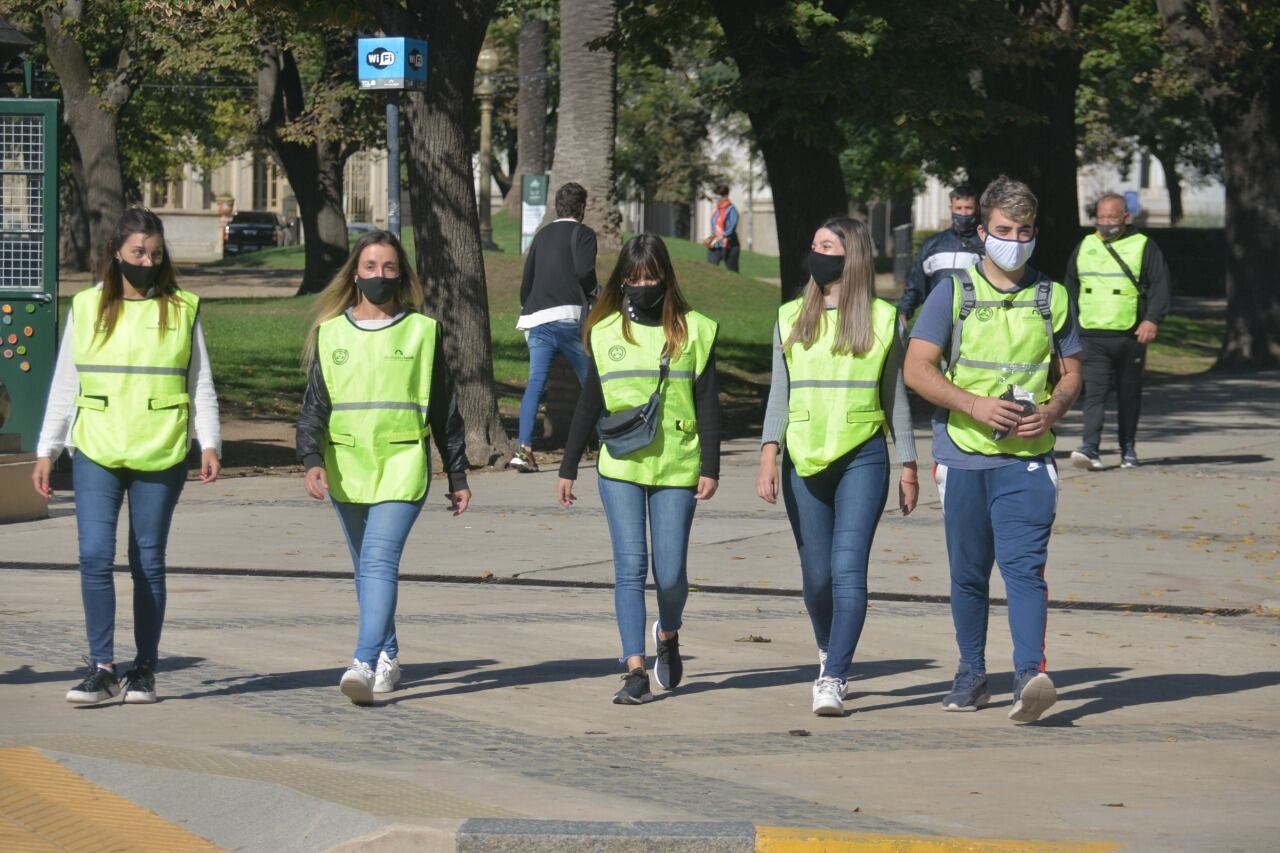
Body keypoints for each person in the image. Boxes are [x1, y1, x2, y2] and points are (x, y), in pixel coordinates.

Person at [903, 176, 1083, 724]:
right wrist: (974, 405)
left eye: (1024, 230)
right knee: (969, 572)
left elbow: (1072, 373)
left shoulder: (1052, 296)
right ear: (982, 232)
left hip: (1029, 459)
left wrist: (1053, 409)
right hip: (962, 455)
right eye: (1004, 230)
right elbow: (916, 369)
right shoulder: (951, 293)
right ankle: (971, 672)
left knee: (1025, 568)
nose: (1015, 239)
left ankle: (1030, 675)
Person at [32, 208, 222, 705]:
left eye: (155, 254)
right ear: (116, 252)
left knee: (147, 561)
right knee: (95, 556)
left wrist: (210, 442)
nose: (147, 261)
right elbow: (65, 384)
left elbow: (199, 382)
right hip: (97, 446)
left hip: (160, 447)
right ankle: (101, 667)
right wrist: (47, 449)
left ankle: (144, 669)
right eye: (138, 252)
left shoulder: (182, 308)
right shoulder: (88, 306)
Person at [296, 230, 471, 705]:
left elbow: (445, 410)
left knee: (378, 561)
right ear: (356, 273)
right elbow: (315, 406)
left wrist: (457, 474)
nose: (379, 275)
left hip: (401, 463)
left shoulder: (422, 331)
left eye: (389, 267)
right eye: (370, 267)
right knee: (366, 569)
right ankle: (389, 654)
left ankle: (363, 659)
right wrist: (311, 458)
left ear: (402, 274)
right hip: (347, 466)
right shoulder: (331, 332)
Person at [755, 217, 919, 717]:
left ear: (853, 257)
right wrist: (769, 453)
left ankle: (834, 676)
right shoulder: (788, 317)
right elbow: (779, 394)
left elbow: (896, 396)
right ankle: (829, 646)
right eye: (814, 244)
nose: (817, 253)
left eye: (827, 245)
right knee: (817, 577)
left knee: (848, 570)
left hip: (862, 456)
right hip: (803, 457)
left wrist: (908, 463)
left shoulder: (885, 319)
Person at [557, 234, 721, 705]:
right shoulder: (604, 330)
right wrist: (568, 466)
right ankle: (634, 670)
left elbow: (709, 403)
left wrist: (710, 465)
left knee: (670, 575)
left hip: (677, 466)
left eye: (650, 276)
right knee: (630, 568)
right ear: (621, 280)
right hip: (620, 466)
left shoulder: (695, 330)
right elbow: (591, 401)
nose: (642, 284)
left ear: (665, 277)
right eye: (633, 277)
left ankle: (667, 634)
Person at [1065, 192, 1171, 470]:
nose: (1105, 222)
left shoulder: (1143, 246)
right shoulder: (1085, 245)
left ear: (1126, 217)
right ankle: (1090, 448)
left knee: (1129, 394)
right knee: (1095, 394)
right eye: (1100, 217)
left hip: (1130, 335)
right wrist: (1071, 325)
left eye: (1112, 217)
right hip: (1092, 333)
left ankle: (1128, 448)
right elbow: (1071, 287)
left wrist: (1152, 319)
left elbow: (1160, 285)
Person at [509, 182, 597, 473]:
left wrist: (530, 307)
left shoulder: (542, 235)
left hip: (536, 319)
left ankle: (524, 449)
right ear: (581, 207)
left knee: (535, 383)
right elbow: (585, 272)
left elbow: (527, 280)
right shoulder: (583, 234)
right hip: (569, 318)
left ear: (558, 206)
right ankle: (610, 440)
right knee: (591, 382)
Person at [897, 184, 984, 325]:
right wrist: (904, 312)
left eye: (968, 208)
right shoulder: (932, 244)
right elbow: (916, 283)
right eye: (958, 208)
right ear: (951, 209)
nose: (963, 213)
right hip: (937, 317)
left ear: (977, 209)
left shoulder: (987, 244)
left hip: (975, 320)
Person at [705, 183, 740, 273]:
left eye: (718, 197)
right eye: (715, 197)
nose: (716, 200)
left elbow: (731, 228)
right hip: (715, 246)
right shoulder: (717, 209)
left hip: (729, 246)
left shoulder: (732, 210)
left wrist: (721, 237)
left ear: (725, 197)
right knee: (709, 270)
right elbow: (715, 226)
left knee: (733, 272)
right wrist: (712, 238)